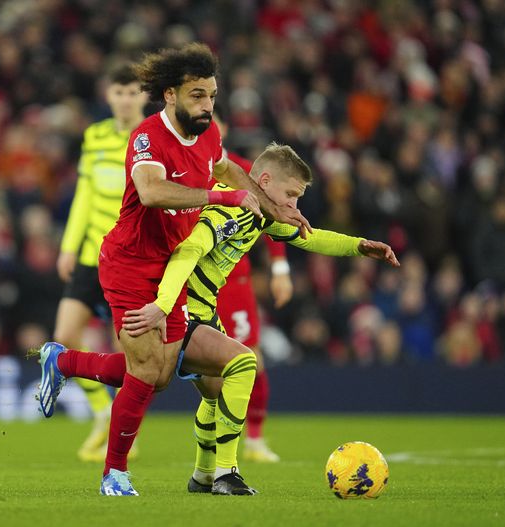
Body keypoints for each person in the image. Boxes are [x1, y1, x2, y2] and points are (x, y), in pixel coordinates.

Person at [35, 43, 310, 496]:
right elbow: (151, 192)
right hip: (128, 263)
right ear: (170, 95)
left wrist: (273, 206)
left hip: (170, 266)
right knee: (146, 372)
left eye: (212, 96)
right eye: (197, 95)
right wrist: (220, 197)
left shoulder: (209, 133)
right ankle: (114, 474)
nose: (207, 106)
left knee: (160, 375)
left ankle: (62, 361)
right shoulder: (147, 137)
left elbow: (226, 169)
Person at [121, 142, 400, 493]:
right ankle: (226, 473)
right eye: (291, 194)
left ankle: (203, 475)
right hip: (182, 310)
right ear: (264, 181)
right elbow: (189, 249)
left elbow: (311, 238)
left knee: (215, 392)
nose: (293, 205)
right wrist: (163, 305)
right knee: (243, 363)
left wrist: (359, 246)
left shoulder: (260, 213)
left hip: (203, 311)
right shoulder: (229, 209)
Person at [53, 63, 147, 462]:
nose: (125, 100)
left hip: (127, 258)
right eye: (119, 92)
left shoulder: (149, 138)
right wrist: (69, 246)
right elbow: (84, 194)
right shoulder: (94, 136)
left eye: (132, 92)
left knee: (125, 350)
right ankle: (102, 411)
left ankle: (125, 431)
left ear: (144, 96)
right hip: (91, 254)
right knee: (64, 335)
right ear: (108, 96)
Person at [213, 113, 294, 463]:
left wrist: (280, 269)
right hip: (191, 281)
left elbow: (274, 219)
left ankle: (256, 439)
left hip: (234, 283)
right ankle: (129, 437)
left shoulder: (242, 171)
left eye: (214, 121)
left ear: (224, 129)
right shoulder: (182, 170)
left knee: (251, 359)